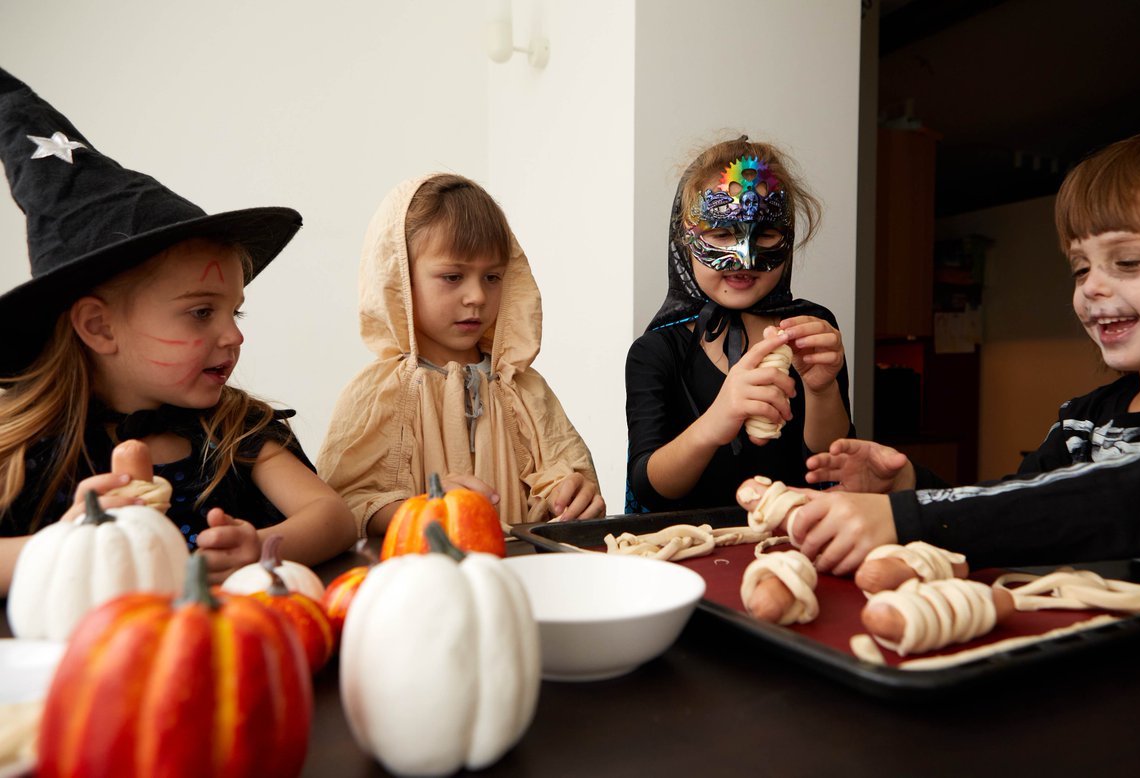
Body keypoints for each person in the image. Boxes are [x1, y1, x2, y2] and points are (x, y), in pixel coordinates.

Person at [742, 120, 1140, 575]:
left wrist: (905, 518)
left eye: (1128, 262)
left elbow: (1125, 497)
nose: (1092, 287)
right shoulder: (1084, 421)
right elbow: (1017, 511)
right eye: (1080, 268)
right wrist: (908, 485)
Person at [0, 68, 357, 591]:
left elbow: (333, 518)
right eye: (200, 313)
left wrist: (258, 547)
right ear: (99, 327)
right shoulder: (24, 448)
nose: (233, 337)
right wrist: (66, 544)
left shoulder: (235, 428)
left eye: (235, 312)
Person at [317, 173, 604, 538]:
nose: (477, 297)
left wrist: (572, 494)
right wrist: (426, 512)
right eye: (453, 277)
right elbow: (346, 504)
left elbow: (562, 473)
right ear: (399, 279)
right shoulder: (379, 393)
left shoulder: (525, 389)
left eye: (492, 277)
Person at [625, 137, 853, 513]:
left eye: (764, 235)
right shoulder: (656, 352)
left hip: (792, 539)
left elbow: (830, 466)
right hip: (693, 548)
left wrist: (822, 389)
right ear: (685, 239)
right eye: (720, 234)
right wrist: (718, 418)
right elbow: (650, 488)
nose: (744, 258)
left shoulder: (811, 330)